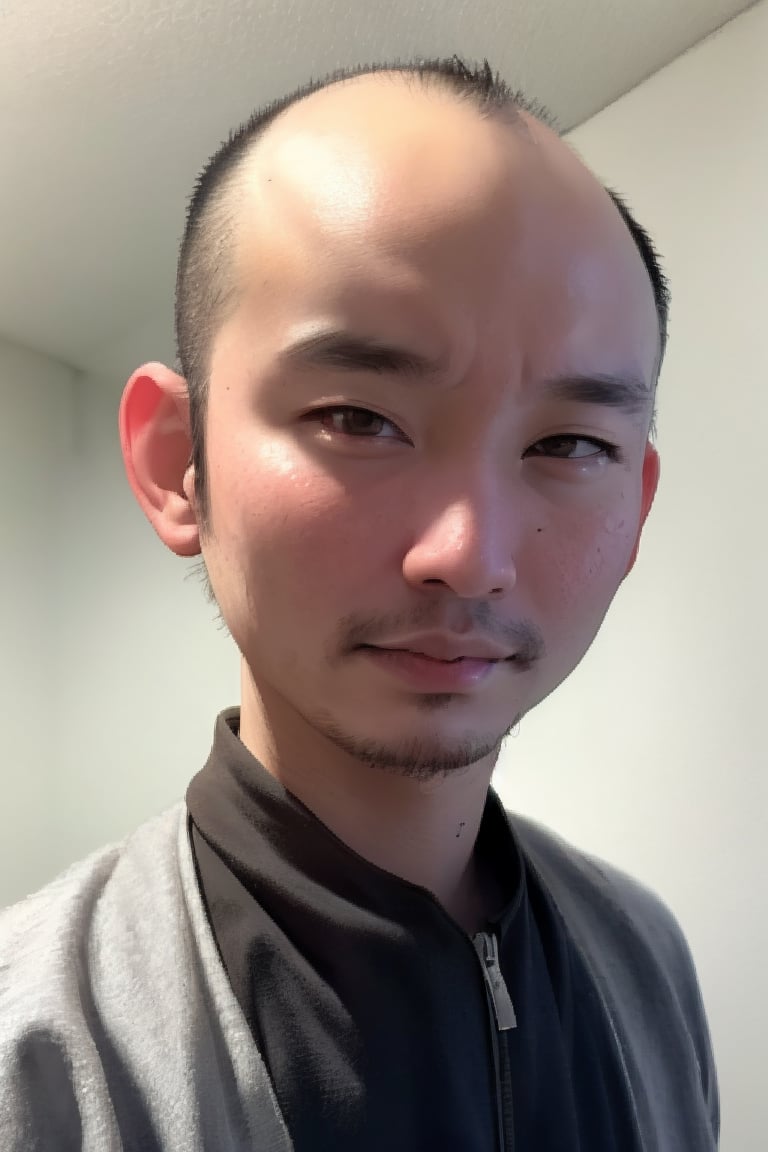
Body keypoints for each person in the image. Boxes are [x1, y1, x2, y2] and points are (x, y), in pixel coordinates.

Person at [0, 57, 718, 1151]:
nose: (468, 556)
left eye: (571, 444)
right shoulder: (34, 1054)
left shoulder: (647, 960)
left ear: (638, 503)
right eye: (359, 418)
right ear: (175, 462)